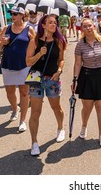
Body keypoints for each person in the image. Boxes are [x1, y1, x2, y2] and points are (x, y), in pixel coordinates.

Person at [25, 14, 67, 156]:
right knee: (35, 112)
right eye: (50, 22)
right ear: (43, 25)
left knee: (56, 108)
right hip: (36, 80)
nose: (53, 25)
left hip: (52, 79)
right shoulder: (34, 42)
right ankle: (34, 142)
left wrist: (60, 70)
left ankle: (61, 128)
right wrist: (39, 54)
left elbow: (61, 60)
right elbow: (28, 62)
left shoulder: (59, 41)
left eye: (55, 22)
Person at [72, 18, 101, 147]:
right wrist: (75, 80)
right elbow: (77, 63)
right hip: (86, 76)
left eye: (90, 25)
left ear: (94, 26)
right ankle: (84, 126)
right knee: (87, 107)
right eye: (85, 26)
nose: (88, 28)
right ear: (82, 29)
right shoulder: (80, 44)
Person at [0, 6, 34, 132]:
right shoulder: (7, 28)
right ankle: (14, 109)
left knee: (24, 92)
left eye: (16, 14)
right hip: (8, 63)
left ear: (22, 15)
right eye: (12, 13)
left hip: (24, 65)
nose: (13, 16)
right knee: (10, 91)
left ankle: (22, 120)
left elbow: (35, 45)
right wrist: (2, 43)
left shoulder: (29, 29)